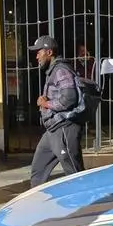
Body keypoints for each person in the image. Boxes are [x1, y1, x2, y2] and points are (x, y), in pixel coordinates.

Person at [29, 35, 85, 187]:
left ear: (49, 52)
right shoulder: (52, 70)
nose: (36, 56)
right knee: (38, 171)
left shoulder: (61, 70)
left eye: (38, 52)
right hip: (53, 129)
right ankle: (38, 204)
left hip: (64, 128)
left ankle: (84, 205)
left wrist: (46, 104)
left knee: (74, 173)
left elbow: (69, 98)